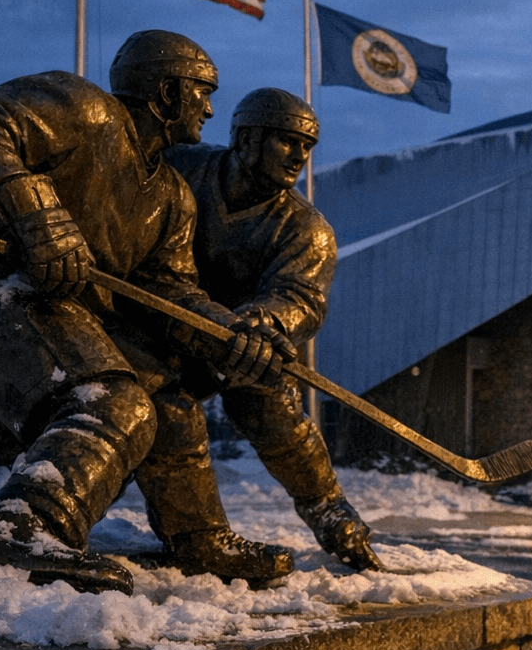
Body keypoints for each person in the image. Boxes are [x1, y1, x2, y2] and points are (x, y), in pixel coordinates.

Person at [0, 31, 294, 594]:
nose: (211, 109)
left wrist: (230, 334)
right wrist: (37, 217)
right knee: (113, 399)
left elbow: (170, 293)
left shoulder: (172, 197)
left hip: (45, 304)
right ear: (168, 91)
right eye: (203, 92)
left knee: (163, 385)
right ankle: (16, 527)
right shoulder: (84, 110)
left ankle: (197, 536)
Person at [163, 88, 380, 571]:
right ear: (245, 139)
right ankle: (194, 534)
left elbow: (300, 297)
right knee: (151, 408)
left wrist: (262, 324)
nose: (299, 156)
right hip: (156, 323)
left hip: (232, 343)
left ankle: (329, 510)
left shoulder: (306, 229)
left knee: (267, 394)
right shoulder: (181, 167)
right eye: (286, 141)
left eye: (306, 146)